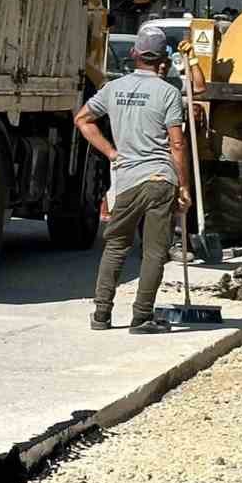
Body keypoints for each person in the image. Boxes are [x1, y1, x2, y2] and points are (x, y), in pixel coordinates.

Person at [74, 27, 190, 334]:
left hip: (127, 180)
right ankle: (141, 317)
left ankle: (101, 315)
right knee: (154, 252)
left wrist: (112, 152)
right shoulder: (168, 93)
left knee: (116, 246)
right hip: (159, 180)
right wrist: (184, 186)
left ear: (134, 54)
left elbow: (82, 119)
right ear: (163, 58)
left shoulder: (114, 88)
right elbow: (177, 144)